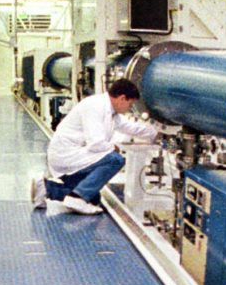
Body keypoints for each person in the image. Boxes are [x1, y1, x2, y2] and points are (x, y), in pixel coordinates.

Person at [34, 76, 156, 216]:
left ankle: (46, 188)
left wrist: (155, 133)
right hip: (67, 156)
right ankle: (77, 198)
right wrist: (114, 147)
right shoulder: (95, 106)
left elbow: (130, 127)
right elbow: (95, 144)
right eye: (130, 104)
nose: (130, 109)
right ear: (122, 98)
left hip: (77, 157)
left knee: (93, 200)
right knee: (116, 159)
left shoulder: (111, 112)